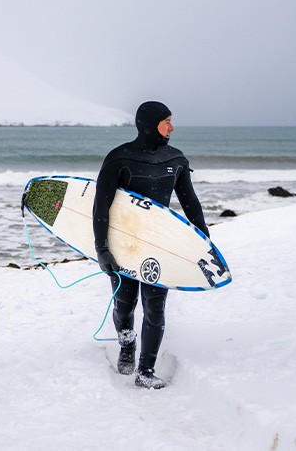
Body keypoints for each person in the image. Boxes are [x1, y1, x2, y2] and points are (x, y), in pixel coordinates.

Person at [93, 101, 210, 389]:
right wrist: (102, 249)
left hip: (158, 245)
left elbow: (190, 203)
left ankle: (145, 370)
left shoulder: (176, 159)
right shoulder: (119, 158)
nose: (171, 127)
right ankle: (127, 344)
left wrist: (204, 241)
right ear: (149, 123)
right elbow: (101, 207)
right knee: (125, 304)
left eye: (172, 121)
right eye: (166, 121)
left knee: (155, 308)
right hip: (124, 245)